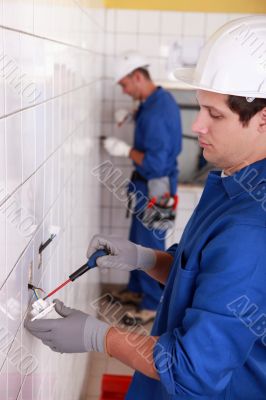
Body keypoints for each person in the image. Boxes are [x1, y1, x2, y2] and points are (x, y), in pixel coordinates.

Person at [25, 15, 266, 399]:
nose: (198, 125)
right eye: (200, 108)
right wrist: (147, 259)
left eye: (215, 114)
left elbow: (192, 370)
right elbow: (206, 278)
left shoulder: (252, 230)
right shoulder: (231, 180)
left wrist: (100, 336)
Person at [103, 51, 182, 325]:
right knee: (139, 238)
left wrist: (125, 150)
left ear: (138, 76)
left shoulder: (158, 111)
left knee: (149, 245)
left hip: (156, 185)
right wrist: (134, 115)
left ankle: (150, 305)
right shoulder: (156, 100)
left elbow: (156, 163)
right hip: (146, 184)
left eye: (125, 85)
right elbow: (153, 124)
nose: (124, 91)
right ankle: (137, 290)